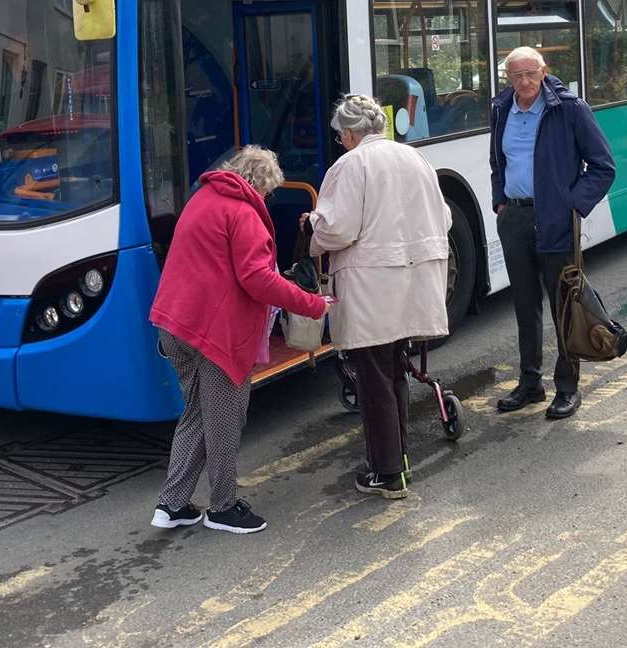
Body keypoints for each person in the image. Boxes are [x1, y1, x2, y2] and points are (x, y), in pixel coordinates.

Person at [149, 146, 331, 534]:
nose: (268, 198)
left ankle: (173, 504)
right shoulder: (243, 212)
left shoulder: (203, 198)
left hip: (174, 323)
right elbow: (258, 278)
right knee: (226, 419)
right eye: (269, 191)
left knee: (196, 413)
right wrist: (312, 303)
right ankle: (223, 508)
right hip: (215, 333)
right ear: (261, 184)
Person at [306, 95, 450, 499]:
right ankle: (397, 459)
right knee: (394, 370)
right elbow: (444, 217)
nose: (341, 141)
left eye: (340, 135)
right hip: (415, 280)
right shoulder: (414, 158)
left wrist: (312, 229)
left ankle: (386, 472)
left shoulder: (351, 165)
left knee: (373, 380)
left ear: (350, 132)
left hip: (372, 285)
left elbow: (339, 229)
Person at [489, 46, 616, 420]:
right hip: (514, 219)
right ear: (507, 78)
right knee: (524, 306)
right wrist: (500, 200)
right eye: (516, 75)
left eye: (531, 73)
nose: (524, 82)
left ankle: (567, 387)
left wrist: (572, 206)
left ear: (544, 72)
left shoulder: (569, 108)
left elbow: (603, 166)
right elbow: (498, 160)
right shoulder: (501, 110)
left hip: (556, 220)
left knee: (564, 304)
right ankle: (530, 383)